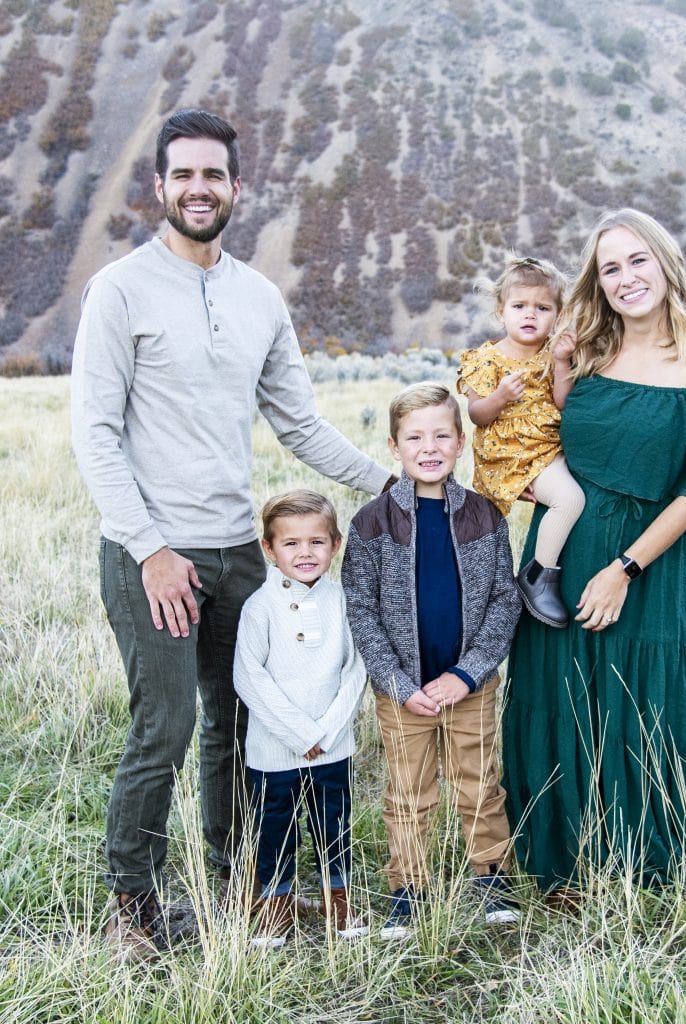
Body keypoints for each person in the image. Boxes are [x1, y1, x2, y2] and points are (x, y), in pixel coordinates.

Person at [71, 109, 392, 959]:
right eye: (183, 174)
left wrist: (397, 485)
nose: (198, 188)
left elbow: (303, 427)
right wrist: (151, 550)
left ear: (236, 188)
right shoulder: (121, 290)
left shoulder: (258, 298)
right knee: (166, 725)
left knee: (241, 725)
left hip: (236, 552)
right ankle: (132, 907)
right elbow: (95, 434)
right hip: (150, 553)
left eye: (213, 174)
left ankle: (235, 885)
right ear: (160, 188)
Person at [502, 209, 686, 899]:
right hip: (562, 548)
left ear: (665, 263)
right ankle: (559, 854)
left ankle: (635, 845)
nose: (624, 278)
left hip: (643, 560)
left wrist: (624, 569)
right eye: (609, 268)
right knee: (555, 694)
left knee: (631, 703)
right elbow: (547, 436)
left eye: (636, 260)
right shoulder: (586, 349)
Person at [341, 382, 522, 940]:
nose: (429, 447)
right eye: (415, 437)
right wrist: (397, 682)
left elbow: (503, 600)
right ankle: (408, 887)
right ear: (394, 446)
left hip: (470, 683)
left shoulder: (485, 517)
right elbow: (361, 609)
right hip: (404, 692)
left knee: (479, 783)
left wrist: (466, 674)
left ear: (461, 443)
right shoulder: (372, 523)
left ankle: (491, 876)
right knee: (408, 790)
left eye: (442, 435)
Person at [233, 490, 368, 947]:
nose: (305, 553)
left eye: (317, 542)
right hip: (275, 752)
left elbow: (356, 669)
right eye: (291, 543)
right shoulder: (259, 607)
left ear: (336, 544)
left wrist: (326, 732)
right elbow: (248, 678)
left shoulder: (343, 601)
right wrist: (299, 734)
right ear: (268, 549)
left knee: (334, 826)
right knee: (276, 831)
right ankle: (274, 908)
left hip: (334, 747)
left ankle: (341, 904)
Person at [457, 253, 585, 627]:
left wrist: (562, 364)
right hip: (510, 456)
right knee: (569, 499)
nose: (530, 315)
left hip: (548, 448)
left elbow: (563, 403)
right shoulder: (488, 359)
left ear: (557, 316)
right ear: (501, 312)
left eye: (542, 307)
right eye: (519, 306)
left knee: (577, 492)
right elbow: (477, 415)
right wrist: (499, 396)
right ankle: (539, 577)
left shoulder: (553, 354)